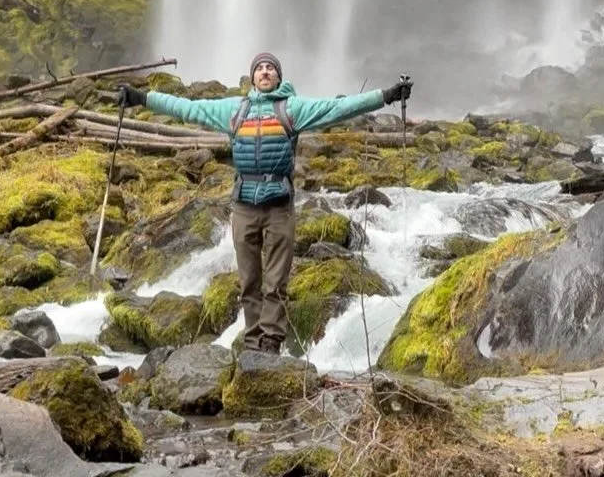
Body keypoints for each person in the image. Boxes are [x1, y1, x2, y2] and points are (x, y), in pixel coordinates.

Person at [119, 53, 412, 355]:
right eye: (259, 68)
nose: (265, 71)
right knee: (249, 281)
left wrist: (386, 96)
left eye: (270, 67)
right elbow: (187, 108)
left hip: (278, 205)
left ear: (278, 77)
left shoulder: (292, 108)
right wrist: (141, 98)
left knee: (276, 281)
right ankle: (251, 342)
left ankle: (271, 342)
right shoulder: (235, 109)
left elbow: (337, 108)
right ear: (252, 77)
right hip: (244, 204)